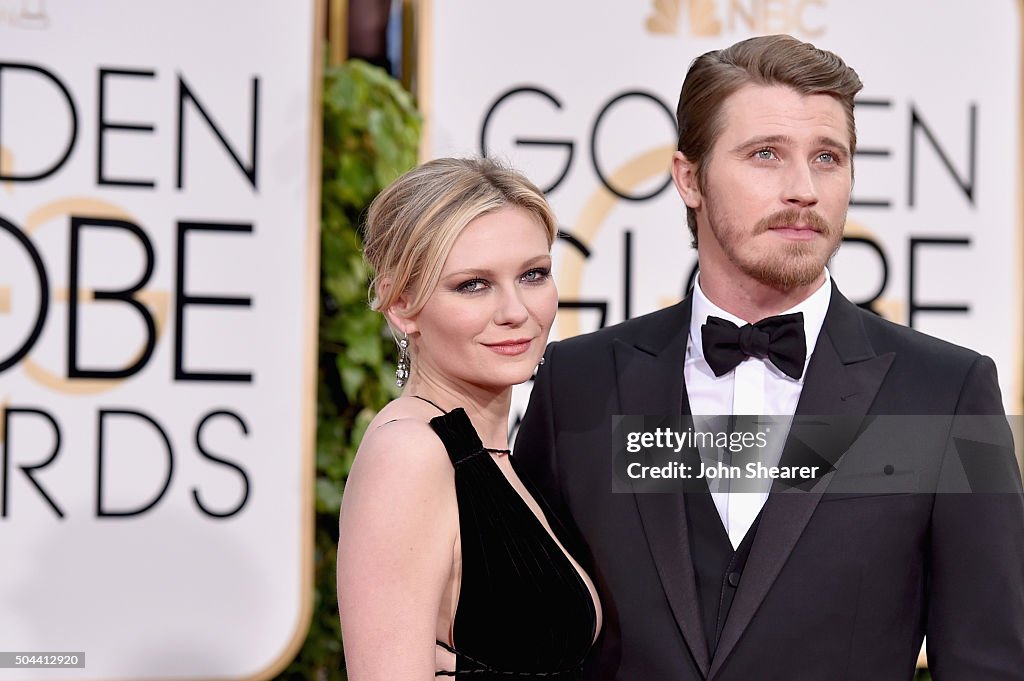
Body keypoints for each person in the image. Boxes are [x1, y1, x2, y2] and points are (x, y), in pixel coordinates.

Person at [515, 34, 1024, 680]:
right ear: (689, 178)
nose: (803, 189)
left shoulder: (951, 394)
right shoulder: (578, 385)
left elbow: (992, 663)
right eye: (766, 155)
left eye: (827, 158)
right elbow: (523, 641)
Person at [337, 157, 602, 680]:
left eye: (533, 275)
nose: (514, 310)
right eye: (473, 285)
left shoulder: (501, 457)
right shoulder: (411, 452)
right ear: (403, 305)